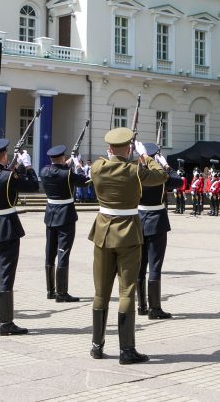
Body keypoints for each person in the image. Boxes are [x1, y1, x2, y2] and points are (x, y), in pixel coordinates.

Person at [87, 128, 167, 364]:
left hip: (103, 232)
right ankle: (126, 350)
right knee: (126, 291)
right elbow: (161, 175)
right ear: (129, 148)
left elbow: (106, 161)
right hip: (129, 234)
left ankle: (96, 346)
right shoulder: (136, 170)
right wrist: (146, 156)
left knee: (101, 292)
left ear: (109, 148)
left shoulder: (97, 167)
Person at [0, 138, 41, 334]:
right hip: (6, 227)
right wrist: (28, 167)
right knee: (6, 275)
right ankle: (5, 323)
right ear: (4, 156)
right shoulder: (7, 176)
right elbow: (33, 186)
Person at [136, 142, 184, 318]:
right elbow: (179, 181)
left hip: (139, 219)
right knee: (154, 265)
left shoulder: (136, 173)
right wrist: (166, 165)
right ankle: (155, 309)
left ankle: (141, 306)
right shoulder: (162, 175)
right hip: (156, 220)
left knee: (140, 267)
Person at [40, 144, 90, 303]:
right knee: (63, 253)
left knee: (50, 252)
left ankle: (50, 290)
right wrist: (77, 165)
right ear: (62, 158)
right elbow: (85, 181)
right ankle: (62, 293)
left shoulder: (44, 171)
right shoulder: (69, 173)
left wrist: (67, 163)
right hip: (65, 216)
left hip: (50, 215)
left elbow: (58, 170)